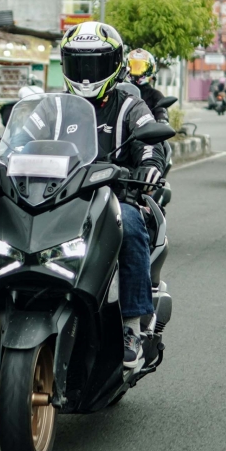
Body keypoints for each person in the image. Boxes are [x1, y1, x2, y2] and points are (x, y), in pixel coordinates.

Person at [61, 22, 167, 371]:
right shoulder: (58, 106)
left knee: (132, 225)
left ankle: (131, 326)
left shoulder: (128, 105)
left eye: (96, 64)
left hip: (114, 197)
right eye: (80, 65)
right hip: (63, 198)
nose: (88, 75)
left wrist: (150, 165)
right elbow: (26, 137)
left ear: (116, 64)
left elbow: (151, 141)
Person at [125, 48, 170, 122]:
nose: (137, 72)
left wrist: (162, 120)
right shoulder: (119, 92)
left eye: (140, 67)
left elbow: (162, 112)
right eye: (134, 66)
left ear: (150, 70)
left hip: (146, 132)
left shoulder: (155, 95)